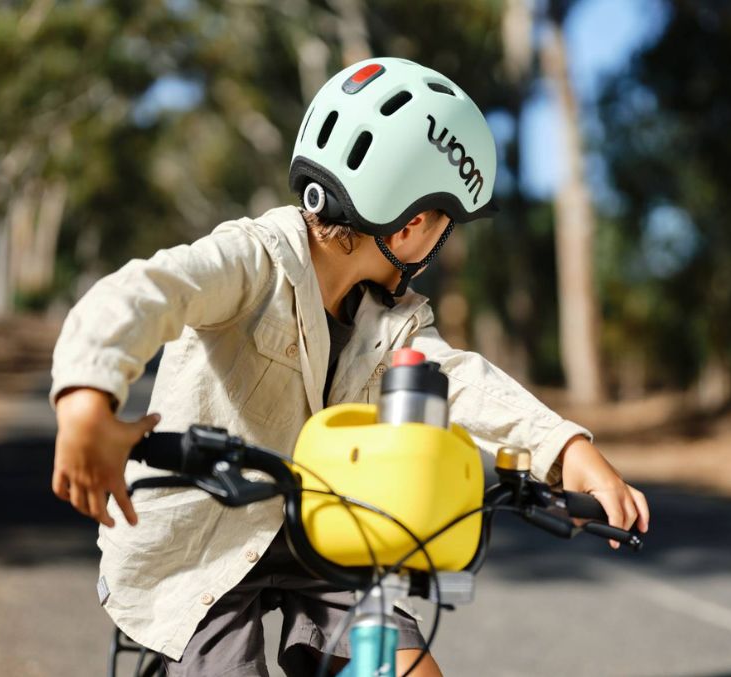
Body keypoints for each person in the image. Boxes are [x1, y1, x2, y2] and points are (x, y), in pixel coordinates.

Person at [50, 57, 650, 677]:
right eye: (447, 225)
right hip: (202, 550)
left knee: (409, 670)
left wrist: (566, 449)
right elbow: (142, 294)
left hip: (326, 539)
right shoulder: (254, 261)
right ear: (415, 226)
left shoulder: (394, 320)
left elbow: (457, 380)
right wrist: (85, 402)